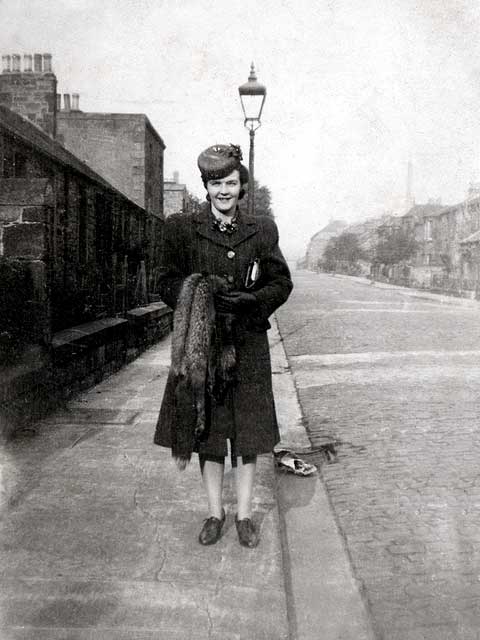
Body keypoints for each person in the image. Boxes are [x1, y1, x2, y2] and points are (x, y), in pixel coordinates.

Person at [154, 143, 293, 548]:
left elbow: (281, 282)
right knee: (209, 431)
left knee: (248, 433)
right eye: (216, 184)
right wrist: (198, 292)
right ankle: (215, 513)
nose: (224, 191)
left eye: (231, 182)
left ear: (241, 186)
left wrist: (253, 300)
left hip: (248, 343)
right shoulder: (183, 229)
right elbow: (163, 281)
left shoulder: (262, 229)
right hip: (204, 346)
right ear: (206, 186)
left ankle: (245, 516)